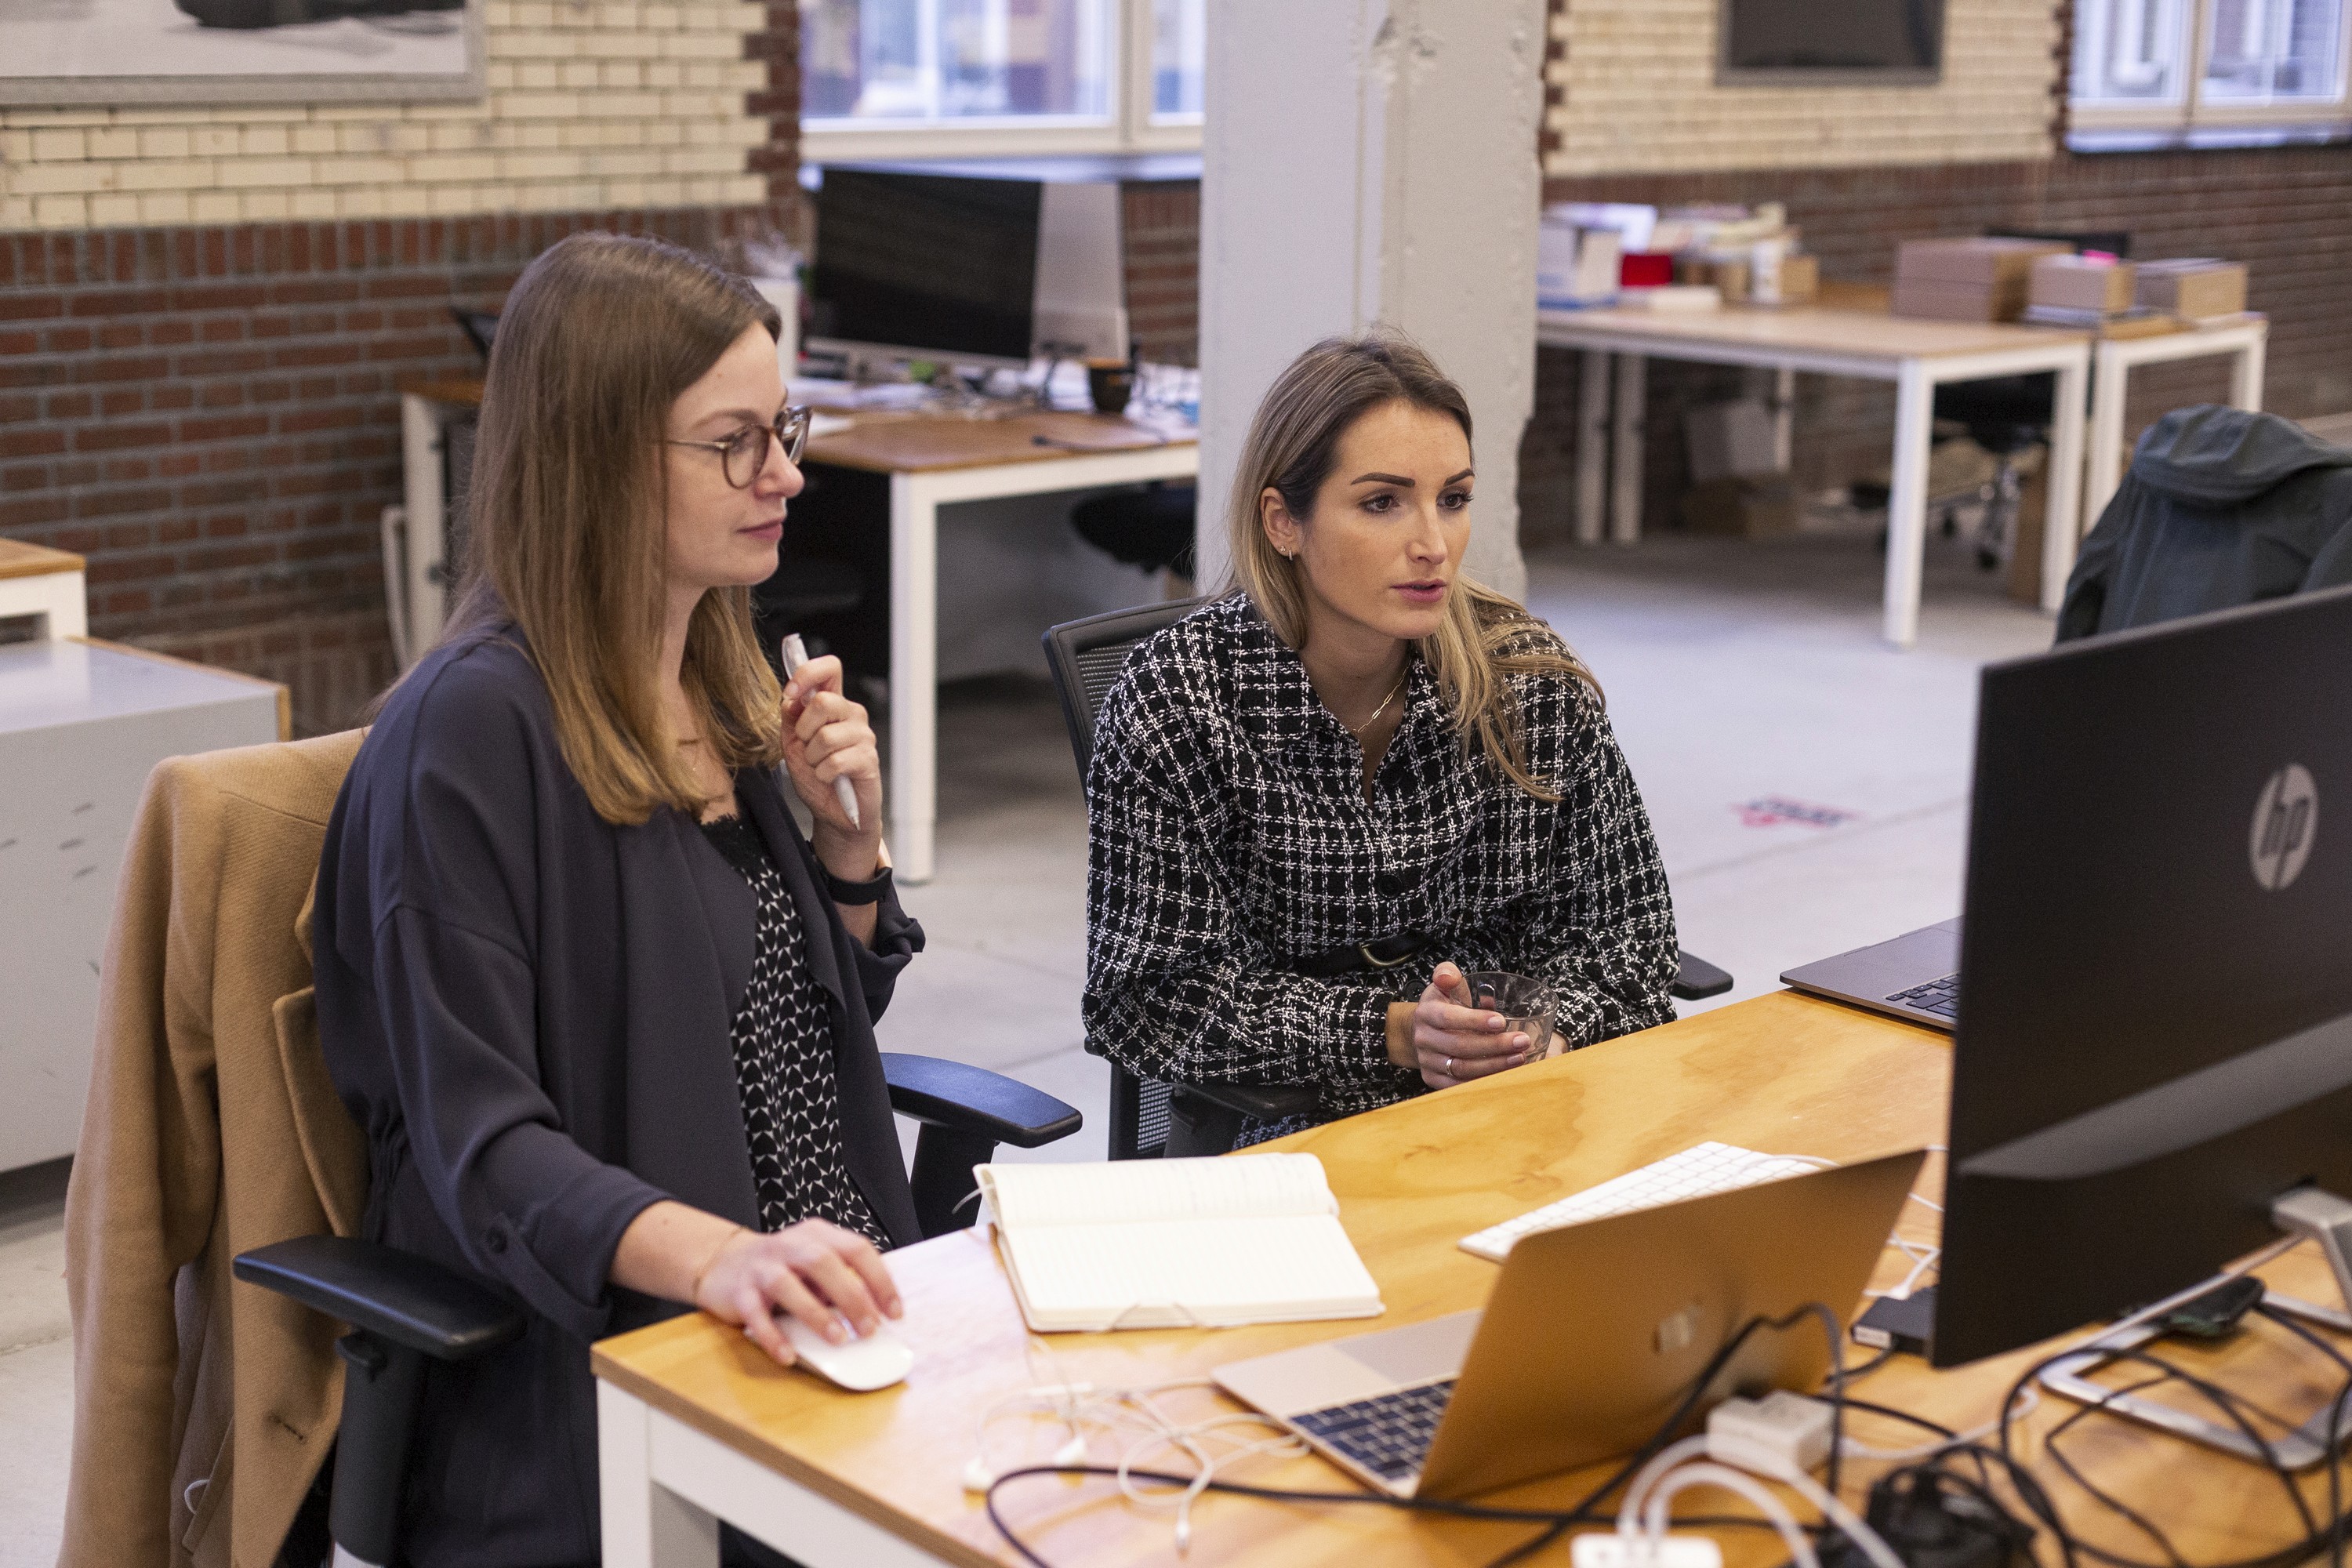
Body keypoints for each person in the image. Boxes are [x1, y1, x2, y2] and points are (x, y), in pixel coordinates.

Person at [314, 233, 917, 1568]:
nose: (788, 477)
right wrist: (725, 1261)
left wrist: (849, 862)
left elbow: (795, 1029)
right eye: (737, 443)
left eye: (787, 429)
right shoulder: (466, 737)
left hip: (825, 1323)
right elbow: (482, 1149)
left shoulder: (722, 671)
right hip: (613, 1376)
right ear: (595, 458)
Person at [1083, 332, 1678, 1142]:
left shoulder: (1530, 687)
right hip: (1293, 1133)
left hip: (1521, 1112)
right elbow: (1147, 1002)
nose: (1433, 543)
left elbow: (1630, 946)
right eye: (1382, 502)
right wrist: (1397, 1031)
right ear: (1283, 520)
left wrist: (1529, 1032)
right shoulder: (1181, 703)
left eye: (1454, 498)